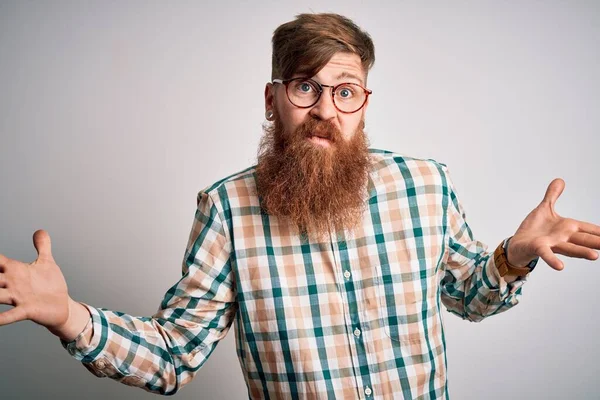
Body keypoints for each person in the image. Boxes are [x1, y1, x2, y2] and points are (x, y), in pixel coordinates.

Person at [0, 12, 599, 399]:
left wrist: (512, 257)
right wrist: (67, 315)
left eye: (344, 91)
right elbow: (174, 356)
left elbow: (468, 299)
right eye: (305, 87)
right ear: (273, 99)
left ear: (364, 102)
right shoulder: (228, 210)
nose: (324, 109)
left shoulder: (426, 186)